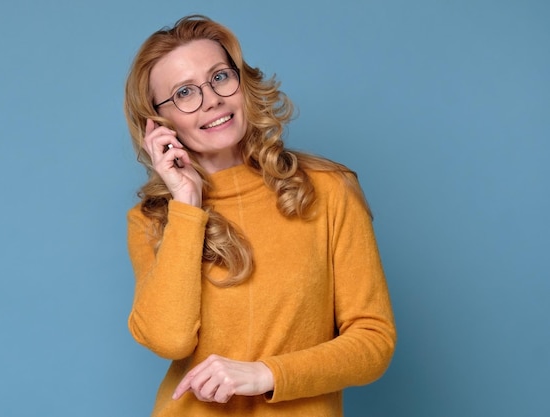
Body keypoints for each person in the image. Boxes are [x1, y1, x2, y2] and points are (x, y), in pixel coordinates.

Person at [123, 14, 396, 417]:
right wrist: (187, 204)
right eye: (184, 93)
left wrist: (267, 374)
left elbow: (374, 342)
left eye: (219, 77)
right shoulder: (153, 219)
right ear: (160, 122)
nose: (211, 99)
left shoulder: (329, 188)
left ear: (242, 81)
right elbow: (170, 340)